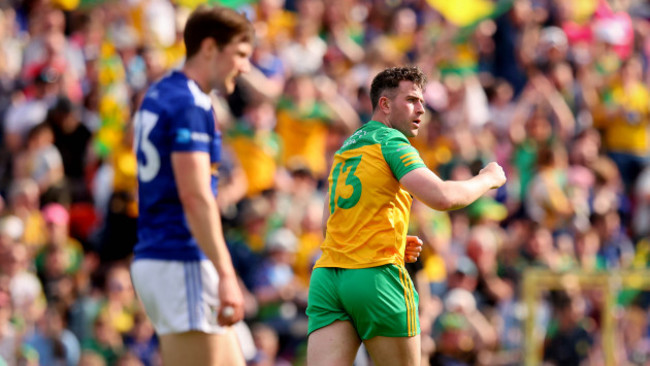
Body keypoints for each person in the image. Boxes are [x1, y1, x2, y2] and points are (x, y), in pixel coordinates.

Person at [306, 66, 507, 366]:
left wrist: (391, 239)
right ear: (385, 104)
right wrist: (487, 178)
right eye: (412, 100)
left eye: (423, 102)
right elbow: (442, 197)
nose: (421, 109)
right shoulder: (392, 142)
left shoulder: (347, 148)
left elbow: (329, 224)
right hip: (376, 277)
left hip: (328, 280)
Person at [129, 5, 254, 366]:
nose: (245, 67)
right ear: (210, 48)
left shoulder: (159, 93)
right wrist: (227, 273)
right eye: (240, 55)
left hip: (165, 256)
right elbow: (195, 196)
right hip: (179, 256)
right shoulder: (190, 103)